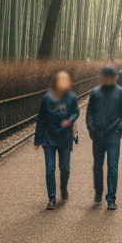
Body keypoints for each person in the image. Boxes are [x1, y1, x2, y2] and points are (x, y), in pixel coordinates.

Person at [85, 65, 122, 210]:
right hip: (98, 134)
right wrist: (90, 127)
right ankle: (98, 191)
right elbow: (90, 112)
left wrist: (120, 128)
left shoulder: (120, 92)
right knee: (97, 165)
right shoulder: (95, 93)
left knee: (112, 166)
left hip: (113, 135)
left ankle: (111, 198)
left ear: (114, 78)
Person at [33, 71, 79, 210]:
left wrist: (69, 120)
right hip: (49, 137)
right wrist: (38, 139)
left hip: (65, 137)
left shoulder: (71, 97)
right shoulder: (47, 98)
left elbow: (76, 111)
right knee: (50, 169)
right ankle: (51, 197)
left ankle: (63, 187)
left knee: (65, 168)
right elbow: (41, 118)